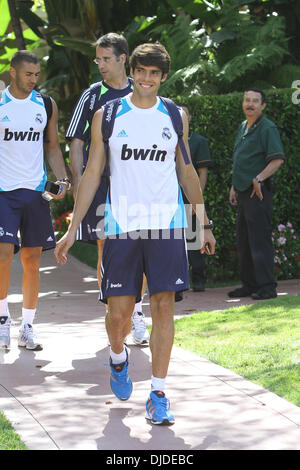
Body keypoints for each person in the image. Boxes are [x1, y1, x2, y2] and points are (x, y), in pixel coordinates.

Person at [54, 42, 215, 425]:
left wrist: (202, 224)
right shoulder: (108, 114)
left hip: (167, 224)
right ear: (133, 71)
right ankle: (117, 356)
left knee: (163, 306)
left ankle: (158, 392)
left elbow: (187, 171)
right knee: (119, 314)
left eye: (154, 74)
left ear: (162, 77)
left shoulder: (175, 115)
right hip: (122, 224)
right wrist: (73, 227)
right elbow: (93, 172)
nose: (146, 79)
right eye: (141, 71)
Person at [66, 32, 149, 345]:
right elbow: (76, 142)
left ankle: (136, 313)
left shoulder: (140, 91)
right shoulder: (92, 96)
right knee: (106, 246)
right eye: (97, 59)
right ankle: (114, 312)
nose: (100, 64)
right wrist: (77, 181)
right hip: (100, 185)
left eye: (106, 58)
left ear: (123, 58)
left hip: (134, 184)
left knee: (138, 246)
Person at [0, 50, 70, 351]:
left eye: (36, 74)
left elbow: (53, 147)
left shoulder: (45, 105)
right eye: (28, 74)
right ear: (12, 72)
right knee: (3, 254)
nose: (33, 80)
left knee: (31, 260)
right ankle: (3, 321)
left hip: (36, 191)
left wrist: (62, 178)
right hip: (3, 191)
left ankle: (27, 326)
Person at [228, 88, 285, 300]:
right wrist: (234, 186)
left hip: (257, 194)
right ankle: (250, 284)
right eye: (247, 100)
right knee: (244, 240)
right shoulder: (243, 126)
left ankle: (267, 287)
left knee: (260, 241)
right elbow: (241, 159)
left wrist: (259, 178)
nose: (250, 104)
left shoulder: (267, 128)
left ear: (263, 106)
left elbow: (277, 159)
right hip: (242, 192)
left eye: (255, 101)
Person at [181, 104, 212, 293]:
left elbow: (202, 172)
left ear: (190, 117)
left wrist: (195, 199)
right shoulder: (167, 139)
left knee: (195, 243)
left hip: (191, 200)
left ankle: (199, 281)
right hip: (170, 199)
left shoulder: (199, 142)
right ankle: (178, 284)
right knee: (173, 243)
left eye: (185, 114)